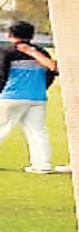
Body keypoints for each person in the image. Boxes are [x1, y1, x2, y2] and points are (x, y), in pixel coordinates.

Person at [0, 21, 68, 173]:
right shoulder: (42, 53)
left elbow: (1, 75)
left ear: (10, 35)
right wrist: (41, 88)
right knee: (38, 131)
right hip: (37, 97)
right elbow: (50, 74)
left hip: (11, 96)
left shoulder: (6, 52)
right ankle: (42, 165)